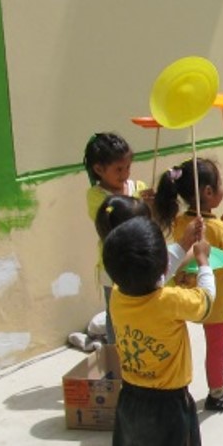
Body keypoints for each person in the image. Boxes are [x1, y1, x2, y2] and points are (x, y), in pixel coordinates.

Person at [102, 217, 214, 446]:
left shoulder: (118, 297)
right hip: (169, 406)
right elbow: (206, 301)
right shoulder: (170, 301)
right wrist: (204, 262)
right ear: (161, 270)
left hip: (130, 402)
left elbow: (151, 270)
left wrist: (180, 245)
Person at [153, 158, 223, 412]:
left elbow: (211, 235)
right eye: (220, 183)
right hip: (214, 302)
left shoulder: (179, 222)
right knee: (219, 344)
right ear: (208, 191)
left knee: (219, 344)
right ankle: (217, 392)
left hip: (185, 295)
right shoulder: (219, 229)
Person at [83, 132, 150, 345]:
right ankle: (115, 354)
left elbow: (148, 221)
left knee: (142, 308)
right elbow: (113, 221)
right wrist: (137, 205)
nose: (125, 174)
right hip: (113, 265)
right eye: (118, 169)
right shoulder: (96, 196)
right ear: (99, 170)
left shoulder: (137, 187)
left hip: (140, 259)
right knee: (116, 313)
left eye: (128, 167)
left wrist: (151, 204)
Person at [94, 195, 203, 283]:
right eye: (149, 221)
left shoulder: (116, 265)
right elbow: (167, 263)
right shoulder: (145, 274)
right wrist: (197, 253)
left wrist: (186, 242)